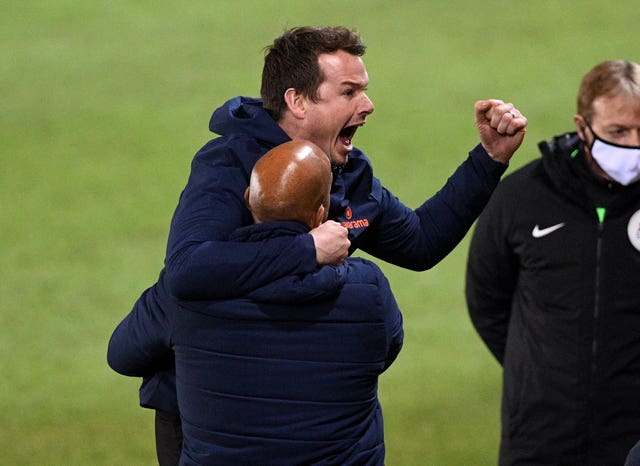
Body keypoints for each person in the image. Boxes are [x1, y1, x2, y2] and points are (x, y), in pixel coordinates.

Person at [127, 26, 527, 464]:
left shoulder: (347, 174)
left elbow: (420, 243)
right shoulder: (229, 165)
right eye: (349, 92)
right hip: (212, 408)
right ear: (298, 101)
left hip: (306, 393)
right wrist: (308, 249)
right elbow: (189, 269)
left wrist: (489, 159)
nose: (368, 105)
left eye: (364, 91)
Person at [108, 140, 405, 465]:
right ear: (321, 214)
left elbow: (122, 355)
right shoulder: (369, 290)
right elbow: (383, 350)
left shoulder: (190, 291)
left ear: (249, 200)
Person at [465, 60, 640, 465]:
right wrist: (538, 368)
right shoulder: (522, 197)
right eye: (618, 132)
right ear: (583, 127)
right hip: (540, 433)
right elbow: (486, 297)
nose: (632, 144)